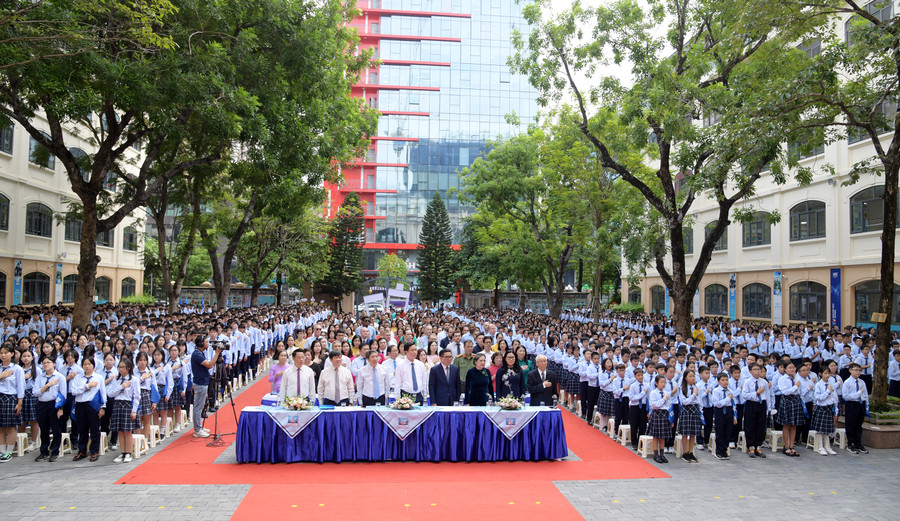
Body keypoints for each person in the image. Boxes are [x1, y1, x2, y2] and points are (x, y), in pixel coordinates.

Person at [70, 356, 106, 462]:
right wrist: (87, 386)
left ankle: (94, 451)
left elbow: (103, 393)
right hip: (80, 404)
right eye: (85, 364)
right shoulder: (78, 377)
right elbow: (74, 391)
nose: (87, 366)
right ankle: (82, 451)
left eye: (89, 364)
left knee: (94, 429)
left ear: (93, 365)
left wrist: (103, 407)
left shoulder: (98, 377)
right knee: (82, 429)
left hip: (93, 405)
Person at [106, 356, 140, 463]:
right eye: (119, 367)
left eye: (123, 367)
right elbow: (110, 393)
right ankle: (123, 452)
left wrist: (134, 410)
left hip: (128, 405)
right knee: (120, 431)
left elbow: (137, 396)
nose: (121, 370)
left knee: (128, 431)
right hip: (117, 405)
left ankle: (129, 452)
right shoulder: (117, 380)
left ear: (129, 368)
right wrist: (121, 386)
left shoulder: (134, 380)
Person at [190, 335, 223, 438]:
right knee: (198, 407)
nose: (208, 344)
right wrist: (217, 353)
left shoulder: (200, 353)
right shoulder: (197, 354)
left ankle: (199, 426)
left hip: (203, 382)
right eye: (206, 342)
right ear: (201, 344)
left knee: (201, 405)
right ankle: (197, 429)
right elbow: (209, 365)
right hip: (200, 383)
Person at [0, 344, 24, 461]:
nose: (3, 355)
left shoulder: (17, 369)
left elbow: (20, 387)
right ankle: (2, 451)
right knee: (0, 427)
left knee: (10, 426)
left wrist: (19, 403)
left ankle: (8, 451)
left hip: (11, 398)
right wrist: (2, 376)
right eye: (1, 353)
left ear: (12, 354)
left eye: (6, 353)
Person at [741, 363, 768, 459]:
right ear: (750, 371)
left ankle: (758, 446)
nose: (757, 371)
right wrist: (756, 393)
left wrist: (768, 409)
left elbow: (767, 395)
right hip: (751, 404)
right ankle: (751, 446)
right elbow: (744, 395)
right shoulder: (747, 382)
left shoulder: (764, 382)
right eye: (755, 369)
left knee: (761, 426)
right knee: (750, 425)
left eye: (758, 369)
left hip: (761, 404)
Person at [777, 362, 804, 457]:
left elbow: (800, 392)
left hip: (796, 400)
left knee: (794, 425)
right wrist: (795, 386)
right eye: (790, 368)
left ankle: (792, 445)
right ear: (785, 369)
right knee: (786, 424)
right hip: (787, 401)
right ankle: (786, 446)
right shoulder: (782, 379)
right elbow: (785, 392)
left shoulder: (797, 378)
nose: (792, 369)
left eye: (793, 367)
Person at [841, 363, 869, 454]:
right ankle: (851, 443)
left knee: (858, 425)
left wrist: (866, 406)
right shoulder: (847, 382)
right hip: (851, 405)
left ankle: (858, 443)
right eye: (856, 370)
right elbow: (846, 396)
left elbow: (865, 395)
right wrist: (857, 394)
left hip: (860, 404)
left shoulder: (862, 382)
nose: (858, 372)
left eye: (859, 370)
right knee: (850, 425)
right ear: (850, 370)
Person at [812, 366, 838, 456]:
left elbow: (835, 397)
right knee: (820, 429)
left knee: (827, 430)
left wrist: (836, 409)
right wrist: (827, 391)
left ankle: (828, 446)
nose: (827, 375)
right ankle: (820, 447)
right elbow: (818, 397)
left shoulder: (831, 384)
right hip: (821, 408)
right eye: (825, 373)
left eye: (829, 373)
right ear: (821, 374)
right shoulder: (818, 385)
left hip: (829, 408)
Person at [676, 369, 701, 462]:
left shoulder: (696, 387)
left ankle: (691, 452)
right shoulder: (683, 388)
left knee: (693, 433)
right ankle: (685, 452)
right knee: (685, 433)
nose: (692, 378)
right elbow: (684, 402)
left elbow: (699, 400)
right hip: (686, 410)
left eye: (693, 376)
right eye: (690, 376)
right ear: (685, 378)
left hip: (695, 409)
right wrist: (694, 395)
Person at [648, 374, 674, 463]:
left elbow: (669, 405)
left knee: (663, 436)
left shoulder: (667, 393)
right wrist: (663, 399)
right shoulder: (653, 393)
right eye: (661, 382)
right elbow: (655, 405)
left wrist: (671, 419)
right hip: (657, 414)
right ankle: (656, 454)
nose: (663, 384)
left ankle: (662, 454)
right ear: (656, 383)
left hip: (665, 414)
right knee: (656, 436)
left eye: (664, 382)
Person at [711, 372, 736, 460]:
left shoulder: (730, 391)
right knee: (720, 431)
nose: (725, 382)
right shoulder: (716, 391)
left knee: (728, 431)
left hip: (729, 411)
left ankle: (725, 449)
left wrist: (734, 416)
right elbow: (717, 404)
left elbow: (733, 404)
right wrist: (727, 399)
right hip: (720, 411)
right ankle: (719, 451)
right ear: (718, 381)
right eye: (723, 380)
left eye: (726, 380)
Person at [627, 368, 649, 451]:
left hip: (643, 407)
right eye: (638, 375)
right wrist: (642, 393)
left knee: (642, 425)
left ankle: (641, 442)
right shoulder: (633, 386)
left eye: (641, 375)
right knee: (634, 425)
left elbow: (648, 398)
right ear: (635, 376)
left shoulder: (646, 385)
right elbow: (632, 398)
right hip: (634, 407)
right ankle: (634, 443)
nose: (640, 377)